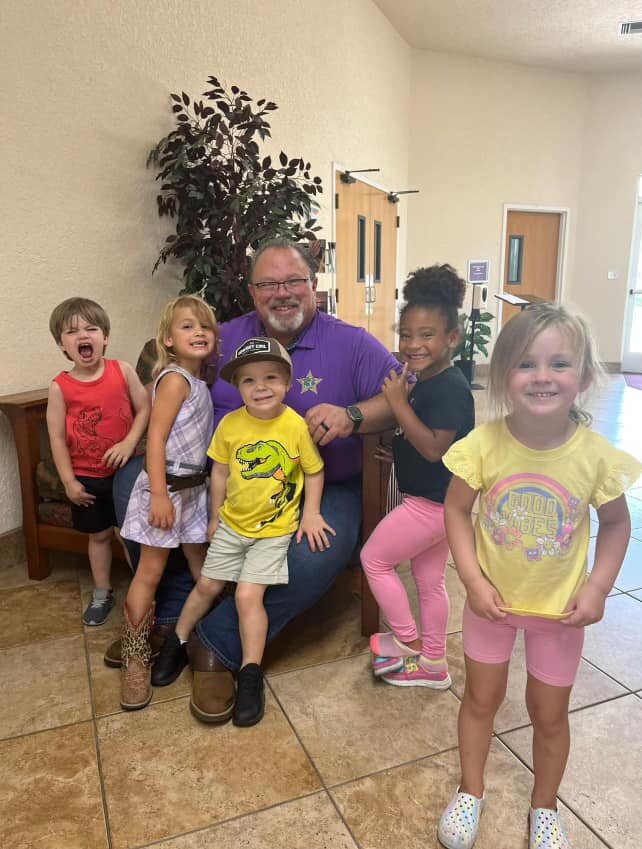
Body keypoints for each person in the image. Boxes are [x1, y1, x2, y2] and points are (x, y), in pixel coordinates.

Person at [107, 237, 406, 723]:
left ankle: (216, 642)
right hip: (222, 480)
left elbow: (404, 390)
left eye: (293, 281)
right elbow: (168, 376)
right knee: (132, 485)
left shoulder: (350, 343)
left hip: (323, 486)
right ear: (252, 290)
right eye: (269, 283)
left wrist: (354, 413)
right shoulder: (222, 338)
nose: (282, 293)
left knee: (312, 552)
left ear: (314, 285)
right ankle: (167, 615)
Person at [437, 304, 641, 849]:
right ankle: (471, 790)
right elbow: (455, 511)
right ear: (503, 374)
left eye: (560, 363)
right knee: (481, 700)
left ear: (584, 376)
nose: (543, 376)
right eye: (527, 363)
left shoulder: (596, 458)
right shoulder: (483, 446)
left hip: (560, 615)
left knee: (549, 715)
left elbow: (617, 524)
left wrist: (597, 587)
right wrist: (474, 581)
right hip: (491, 608)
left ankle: (545, 806)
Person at [153, 337, 334, 726]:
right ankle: (178, 641)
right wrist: (215, 515)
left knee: (249, 596)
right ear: (238, 387)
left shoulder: (295, 426)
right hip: (233, 525)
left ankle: (250, 672)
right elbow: (218, 470)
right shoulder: (230, 424)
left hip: (273, 531)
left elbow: (313, 470)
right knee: (206, 586)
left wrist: (311, 513)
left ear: (287, 381)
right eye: (249, 380)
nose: (261, 387)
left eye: (271, 377)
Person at [361, 265, 474, 688]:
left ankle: (407, 641)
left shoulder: (450, 387)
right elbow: (421, 441)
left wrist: (396, 401)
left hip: (433, 504)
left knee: (374, 559)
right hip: (438, 500)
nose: (413, 344)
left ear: (452, 338)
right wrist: (398, 451)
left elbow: (434, 447)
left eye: (427, 335)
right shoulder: (428, 379)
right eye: (406, 334)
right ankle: (434, 664)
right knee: (429, 584)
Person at [118, 295, 217, 710]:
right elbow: (154, 439)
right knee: (150, 572)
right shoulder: (174, 379)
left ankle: (202, 632)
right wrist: (159, 493)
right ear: (167, 340)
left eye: (205, 327)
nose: (199, 333)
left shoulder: (199, 383)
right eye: (188, 326)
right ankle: (135, 659)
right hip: (168, 490)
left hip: (194, 492)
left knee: (203, 565)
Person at [46, 297, 149, 625]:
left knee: (130, 534)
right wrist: (69, 483)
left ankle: (143, 592)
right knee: (100, 536)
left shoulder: (123, 371)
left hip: (127, 473)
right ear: (61, 344)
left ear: (104, 337)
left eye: (91, 328)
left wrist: (129, 441)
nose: (83, 336)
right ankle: (102, 592)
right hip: (87, 477)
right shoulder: (60, 387)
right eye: (72, 332)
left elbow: (145, 409)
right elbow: (58, 439)